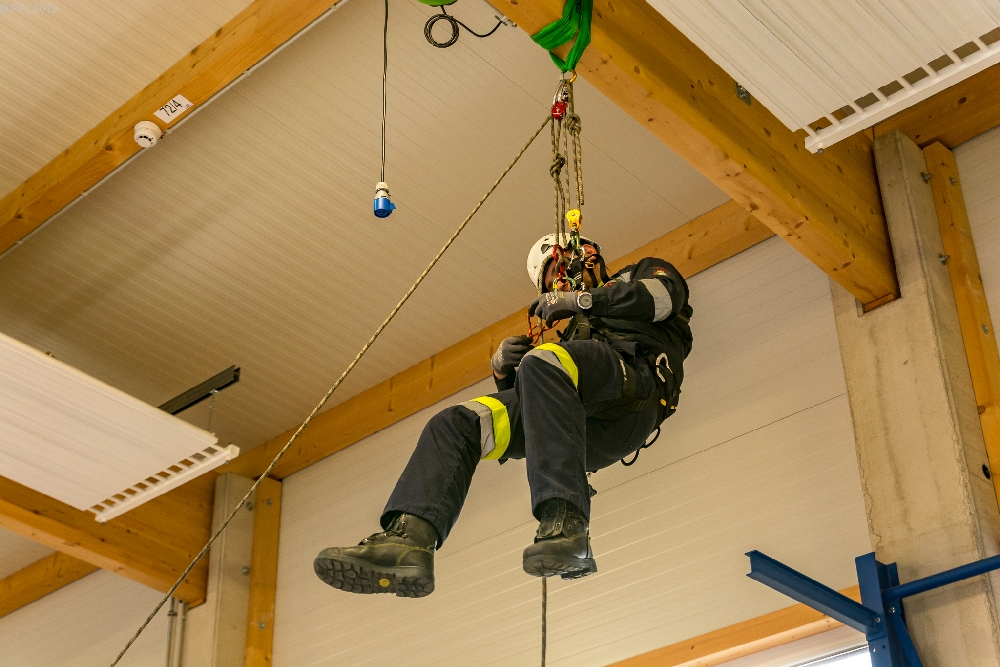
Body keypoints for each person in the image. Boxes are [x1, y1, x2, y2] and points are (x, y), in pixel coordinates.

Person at [314, 234, 693, 597]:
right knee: (456, 423)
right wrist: (502, 373)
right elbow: (535, 416)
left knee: (543, 362)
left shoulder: (639, 273)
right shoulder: (570, 344)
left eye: (562, 267)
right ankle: (409, 542)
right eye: (552, 281)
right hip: (585, 432)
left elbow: (665, 298)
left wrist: (582, 301)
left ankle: (567, 526)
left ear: (588, 253)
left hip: (636, 388)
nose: (560, 282)